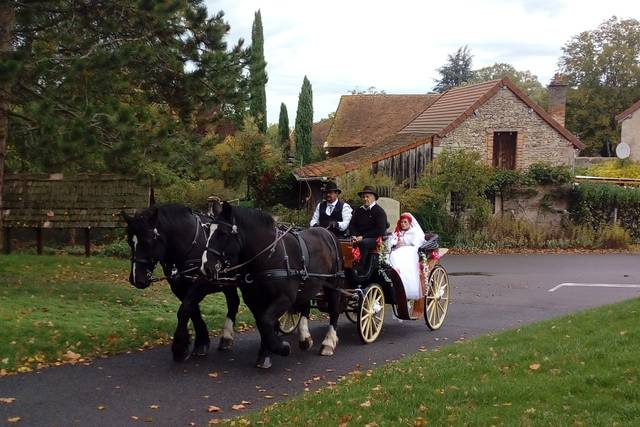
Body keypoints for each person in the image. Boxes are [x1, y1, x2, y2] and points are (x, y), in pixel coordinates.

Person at [349, 185, 388, 275]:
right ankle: (347, 266)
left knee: (364, 243)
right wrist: (354, 235)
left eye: (367, 197)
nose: (365, 199)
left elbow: (380, 230)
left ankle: (360, 269)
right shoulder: (358, 210)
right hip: (358, 237)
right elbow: (352, 224)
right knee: (345, 243)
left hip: (374, 238)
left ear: (374, 198)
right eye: (363, 197)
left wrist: (362, 237)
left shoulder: (379, 211)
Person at [388, 212, 425, 301]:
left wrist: (405, 243)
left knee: (399, 255)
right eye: (402, 222)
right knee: (390, 254)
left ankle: (406, 285)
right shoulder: (398, 231)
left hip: (411, 250)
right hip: (398, 249)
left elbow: (417, 243)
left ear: (409, 223)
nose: (403, 224)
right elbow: (393, 240)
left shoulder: (414, 231)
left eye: (405, 222)